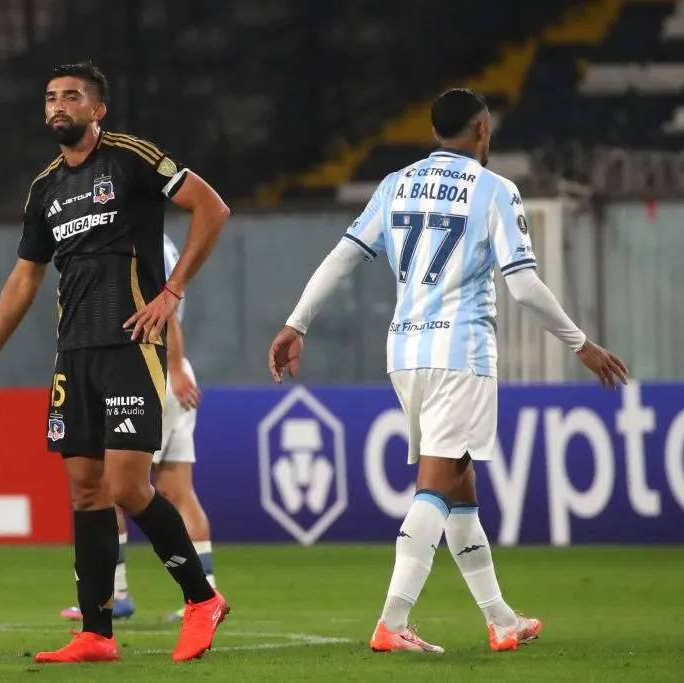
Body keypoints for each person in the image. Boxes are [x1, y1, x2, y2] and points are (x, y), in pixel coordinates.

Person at [268, 88, 628, 654]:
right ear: (482, 130)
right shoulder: (494, 190)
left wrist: (297, 322)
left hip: (406, 354)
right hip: (460, 354)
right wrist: (579, 344)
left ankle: (501, 618)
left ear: (434, 132)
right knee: (437, 483)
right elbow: (524, 284)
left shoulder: (395, 184)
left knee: (461, 487)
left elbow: (342, 255)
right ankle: (393, 619)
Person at [0, 61, 231, 664]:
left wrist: (171, 292)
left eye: (72, 97)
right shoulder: (44, 189)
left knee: (129, 487)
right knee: (85, 493)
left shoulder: (131, 157)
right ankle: (96, 633)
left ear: (97, 109)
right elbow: (24, 278)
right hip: (74, 352)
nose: (58, 106)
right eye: (51, 97)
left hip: (132, 344)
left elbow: (211, 209)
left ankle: (201, 599)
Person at [59, 234, 217, 623]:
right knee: (177, 490)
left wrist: (175, 369)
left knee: (112, 484)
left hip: (151, 368)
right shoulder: (156, 236)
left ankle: (119, 593)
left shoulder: (134, 237)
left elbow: (164, 305)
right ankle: (208, 588)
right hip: (165, 369)